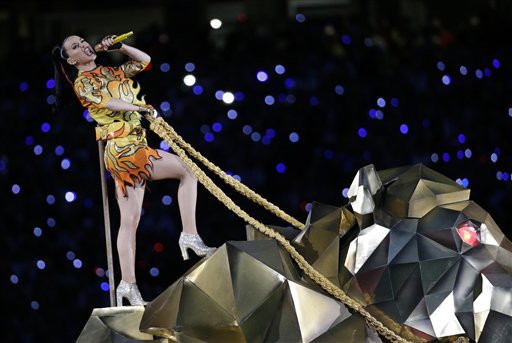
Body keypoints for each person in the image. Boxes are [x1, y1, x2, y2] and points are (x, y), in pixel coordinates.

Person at [51, 34, 216, 306]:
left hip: (132, 145)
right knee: (186, 170)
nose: (84, 45)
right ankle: (189, 235)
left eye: (83, 41)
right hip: (124, 150)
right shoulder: (83, 84)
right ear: (72, 60)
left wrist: (119, 47)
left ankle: (128, 284)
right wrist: (139, 108)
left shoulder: (110, 71)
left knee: (130, 220)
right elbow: (109, 103)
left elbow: (145, 61)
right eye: (76, 47)